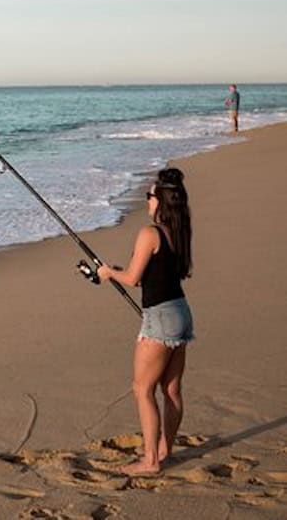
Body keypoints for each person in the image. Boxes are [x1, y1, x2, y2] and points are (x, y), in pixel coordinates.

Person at [97, 167, 193, 476]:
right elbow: (152, 277)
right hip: (180, 312)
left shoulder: (149, 233)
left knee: (142, 390)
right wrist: (121, 272)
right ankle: (165, 449)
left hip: (161, 319)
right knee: (172, 390)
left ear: (160, 201)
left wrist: (108, 273)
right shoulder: (179, 232)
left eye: (149, 195)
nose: (146, 200)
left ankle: (151, 461)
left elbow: (133, 278)